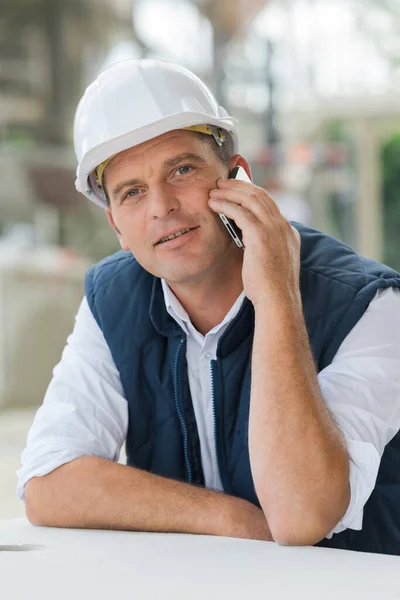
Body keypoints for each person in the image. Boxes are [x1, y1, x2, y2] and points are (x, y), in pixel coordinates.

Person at [18, 59, 400, 555]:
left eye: (181, 170)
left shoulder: (368, 303)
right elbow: (48, 480)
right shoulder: (111, 300)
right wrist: (231, 518)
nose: (161, 207)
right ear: (117, 225)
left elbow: (302, 514)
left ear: (238, 177)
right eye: (132, 192)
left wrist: (277, 297)